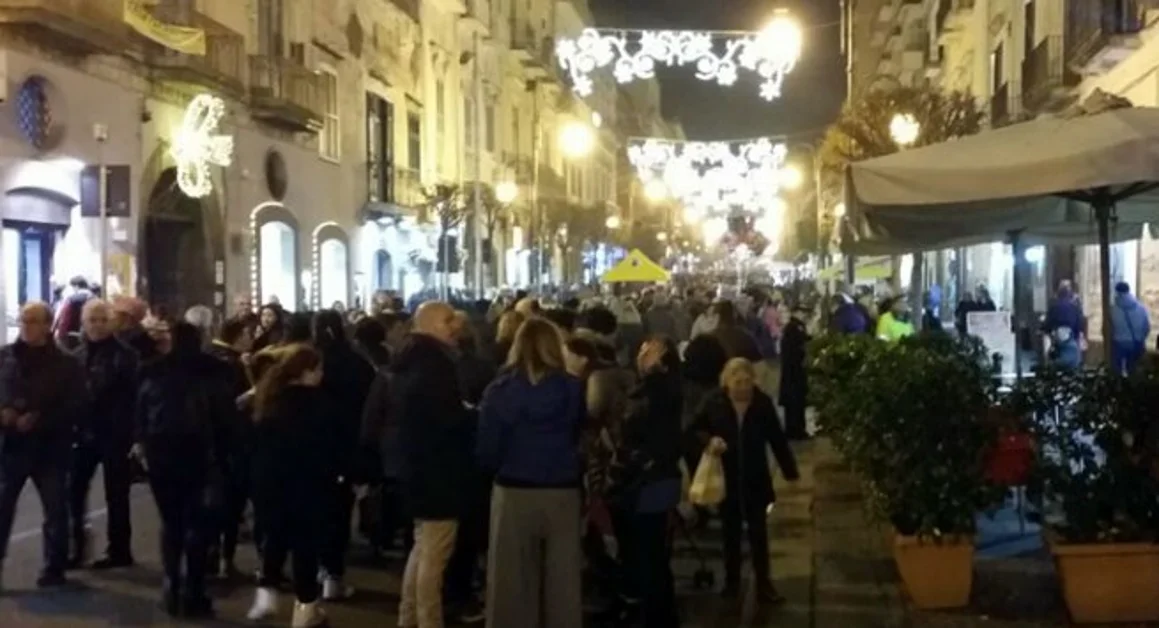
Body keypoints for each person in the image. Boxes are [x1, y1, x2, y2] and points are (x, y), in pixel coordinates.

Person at [477, 317, 584, 628]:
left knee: (511, 581)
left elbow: (488, 446)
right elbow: (577, 432)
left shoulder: (500, 391)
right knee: (563, 581)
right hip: (562, 486)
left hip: (514, 487)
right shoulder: (572, 389)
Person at [132, 319, 230, 617]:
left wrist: (142, 443)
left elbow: (140, 411)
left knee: (171, 522)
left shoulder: (152, 371)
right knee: (197, 523)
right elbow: (225, 418)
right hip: (200, 454)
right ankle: (194, 590)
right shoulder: (214, 370)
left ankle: (171, 585)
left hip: (161, 454)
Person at [692, 358, 799, 604]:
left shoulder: (762, 403)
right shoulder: (714, 402)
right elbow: (694, 428)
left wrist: (789, 470)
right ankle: (732, 582)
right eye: (737, 382)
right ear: (727, 382)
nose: (743, 387)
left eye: (746, 382)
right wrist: (709, 441)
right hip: (726, 478)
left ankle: (764, 584)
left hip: (755, 478)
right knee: (730, 534)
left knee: (758, 534)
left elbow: (776, 437)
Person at [394, 301, 472, 628]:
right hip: (437, 471)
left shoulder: (412, 360)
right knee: (435, 554)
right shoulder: (435, 366)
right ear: (428, 325)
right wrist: (469, 416)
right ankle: (428, 620)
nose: (455, 326)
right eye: (447, 320)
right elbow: (445, 420)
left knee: (423, 546)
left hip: (417, 468)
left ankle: (409, 615)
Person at [0, 302, 89, 590]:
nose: (26, 326)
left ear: (47, 325)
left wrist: (40, 419)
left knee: (55, 510)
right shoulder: (5, 357)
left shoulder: (66, 363)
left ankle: (54, 567)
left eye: (33, 321)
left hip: (50, 447)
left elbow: (75, 405)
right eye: (23, 320)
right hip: (12, 446)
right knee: (3, 508)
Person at [245, 345, 332, 627]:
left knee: (275, 537)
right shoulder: (318, 404)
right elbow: (329, 447)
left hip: (268, 480)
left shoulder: (268, 399)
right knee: (305, 545)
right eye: (318, 369)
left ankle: (266, 595)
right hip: (306, 482)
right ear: (306, 372)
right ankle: (305, 608)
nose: (321, 375)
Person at [68, 299, 140, 570]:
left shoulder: (126, 356)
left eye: (102, 320)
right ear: (83, 323)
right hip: (83, 432)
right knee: (73, 491)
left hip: (114, 433)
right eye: (92, 320)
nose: (97, 325)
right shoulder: (77, 355)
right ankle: (76, 547)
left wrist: (135, 434)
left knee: (117, 494)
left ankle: (119, 550)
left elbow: (134, 396)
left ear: (111, 322)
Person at [618, 336, 684, 628]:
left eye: (650, 352)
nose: (641, 354)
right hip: (652, 478)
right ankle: (660, 614)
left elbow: (642, 430)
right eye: (642, 349)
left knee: (650, 553)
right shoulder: (654, 389)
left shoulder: (659, 391)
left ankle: (656, 617)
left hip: (650, 480)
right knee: (651, 552)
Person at [313, 310, 375, 600]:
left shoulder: (308, 361)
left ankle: (317, 569)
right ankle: (333, 574)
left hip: (312, 448)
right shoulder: (357, 364)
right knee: (339, 512)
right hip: (345, 447)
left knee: (315, 512)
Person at [206, 316, 255, 579]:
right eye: (247, 334)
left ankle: (213, 556)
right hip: (233, 441)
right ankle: (225, 558)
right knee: (231, 502)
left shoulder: (212, 358)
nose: (251, 338)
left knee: (216, 502)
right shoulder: (230, 364)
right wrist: (253, 394)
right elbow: (232, 403)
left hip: (212, 442)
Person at [779, 305, 811, 441]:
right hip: (794, 372)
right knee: (795, 402)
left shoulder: (793, 327)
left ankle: (794, 430)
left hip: (792, 372)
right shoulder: (794, 328)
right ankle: (796, 430)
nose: (805, 315)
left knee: (795, 403)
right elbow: (800, 346)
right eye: (803, 312)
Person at [1111, 281, 1150, 375]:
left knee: (1117, 373)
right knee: (1134, 371)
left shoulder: (1112, 309)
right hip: (1137, 343)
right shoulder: (1141, 308)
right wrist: (1140, 338)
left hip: (1119, 344)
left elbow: (1108, 329)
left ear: (1116, 292)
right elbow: (1147, 327)